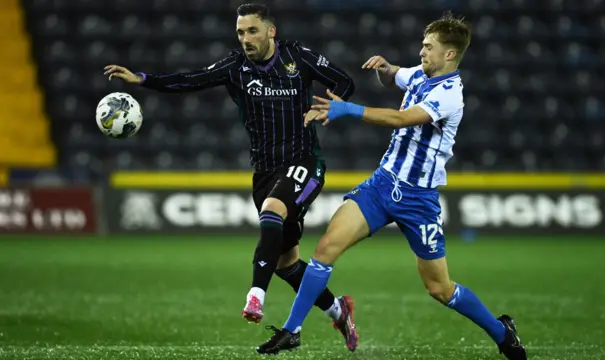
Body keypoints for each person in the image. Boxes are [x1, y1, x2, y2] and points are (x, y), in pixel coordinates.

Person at [256, 12, 527, 360]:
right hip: (382, 185)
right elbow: (397, 78)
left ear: (449, 55)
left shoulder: (450, 95)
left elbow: (401, 118)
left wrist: (348, 110)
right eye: (422, 45)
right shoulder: (421, 73)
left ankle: (501, 332)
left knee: (439, 289)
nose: (421, 52)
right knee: (325, 249)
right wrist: (386, 70)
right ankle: (291, 331)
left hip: (418, 199)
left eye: (429, 47)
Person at [104, 3, 359, 347]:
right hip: (265, 171)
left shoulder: (297, 57)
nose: (245, 39)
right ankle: (339, 312)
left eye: (252, 31)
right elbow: (190, 80)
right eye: (240, 32)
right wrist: (143, 79)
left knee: (272, 211)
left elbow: (345, 81)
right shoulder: (235, 67)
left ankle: (256, 295)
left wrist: (326, 106)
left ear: (271, 31)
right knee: (286, 264)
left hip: (304, 162)